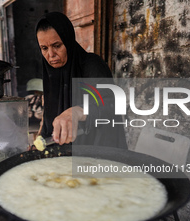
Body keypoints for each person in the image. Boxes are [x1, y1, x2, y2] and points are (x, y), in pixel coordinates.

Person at [35, 12, 127, 148]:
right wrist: (40, 136)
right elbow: (49, 114)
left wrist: (78, 112)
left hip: (98, 152)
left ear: (68, 41)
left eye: (57, 45)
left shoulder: (91, 65)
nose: (51, 54)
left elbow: (111, 105)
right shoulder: (51, 73)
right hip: (65, 156)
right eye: (44, 48)